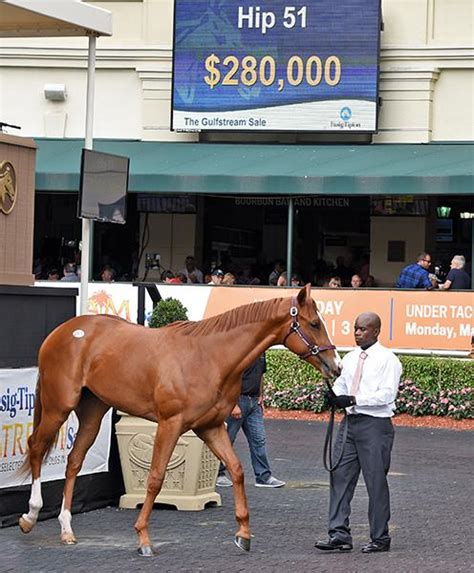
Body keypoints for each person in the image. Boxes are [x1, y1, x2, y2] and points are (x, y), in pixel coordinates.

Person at [315, 312, 402, 554]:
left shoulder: (388, 360)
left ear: (375, 331)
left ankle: (380, 538)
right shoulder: (351, 358)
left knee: (375, 482)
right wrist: (334, 395)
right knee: (340, 477)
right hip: (349, 423)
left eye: (363, 329)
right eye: (355, 328)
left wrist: (353, 398)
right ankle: (339, 535)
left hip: (376, 426)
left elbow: (387, 395)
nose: (357, 332)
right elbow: (342, 385)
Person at [216, 353, 285, 489]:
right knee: (226, 439)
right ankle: (218, 474)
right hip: (238, 400)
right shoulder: (242, 350)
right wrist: (233, 404)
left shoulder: (262, 353)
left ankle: (263, 477)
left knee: (259, 440)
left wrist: (260, 396)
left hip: (254, 402)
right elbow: (230, 378)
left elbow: (261, 375)